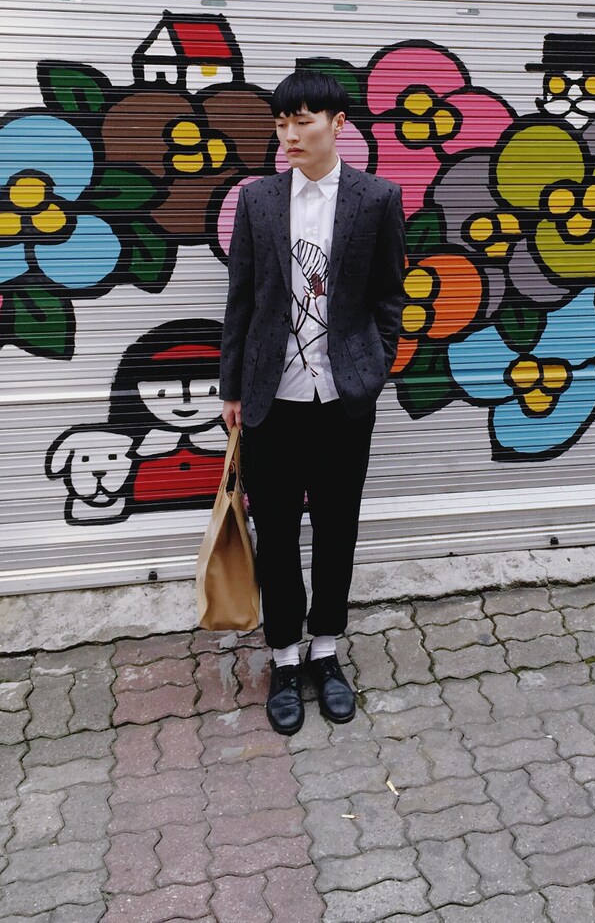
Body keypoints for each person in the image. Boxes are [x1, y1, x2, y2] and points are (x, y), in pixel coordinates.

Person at [219, 67, 406, 735]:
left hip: (344, 400)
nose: (290, 135)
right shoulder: (258, 200)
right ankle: (284, 658)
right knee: (275, 534)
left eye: (303, 122)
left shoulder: (377, 199)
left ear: (338, 124)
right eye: (281, 123)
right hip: (273, 400)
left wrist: (374, 363)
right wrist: (232, 387)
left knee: (336, 528)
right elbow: (241, 300)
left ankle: (326, 650)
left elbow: (390, 294)